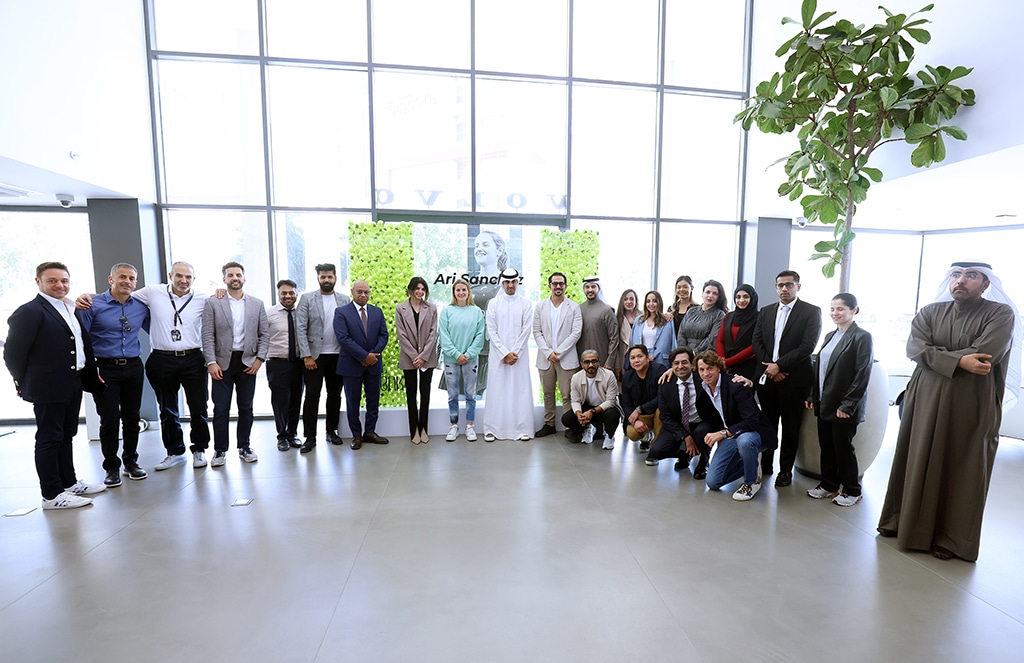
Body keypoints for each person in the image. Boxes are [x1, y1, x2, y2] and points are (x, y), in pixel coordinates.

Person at [878, 262, 1020, 561]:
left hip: (970, 402)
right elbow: (914, 347)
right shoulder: (930, 312)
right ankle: (901, 523)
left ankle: (952, 540)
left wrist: (938, 358)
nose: (961, 281)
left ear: (985, 284)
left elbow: (985, 354)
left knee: (962, 465)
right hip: (925, 399)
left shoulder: (1000, 314)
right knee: (915, 457)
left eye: (971, 276)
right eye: (957, 275)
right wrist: (959, 362)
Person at [87, 261, 213, 471]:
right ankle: (174, 451)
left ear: (194, 279)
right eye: (179, 275)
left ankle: (199, 449)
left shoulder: (202, 298)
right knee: (167, 408)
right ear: (170, 275)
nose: (183, 280)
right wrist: (87, 296)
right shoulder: (152, 292)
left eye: (188, 277)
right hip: (162, 358)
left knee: (199, 407)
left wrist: (220, 291)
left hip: (193, 358)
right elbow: (118, 294)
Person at [4, 262, 106, 509]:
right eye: (52, 281)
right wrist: (22, 382)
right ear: (38, 282)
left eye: (64, 281)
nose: (59, 285)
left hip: (73, 381)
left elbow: (79, 345)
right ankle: (51, 494)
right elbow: (13, 353)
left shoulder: (69, 308)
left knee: (67, 435)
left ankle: (68, 483)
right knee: (49, 438)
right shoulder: (30, 311)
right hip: (47, 385)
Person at [77, 263, 151, 487]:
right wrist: (90, 372)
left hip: (133, 367)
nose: (127, 281)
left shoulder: (140, 306)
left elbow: (158, 327)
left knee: (132, 417)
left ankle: (131, 462)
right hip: (104, 369)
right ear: (111, 279)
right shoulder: (92, 305)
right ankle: (111, 467)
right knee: (109, 419)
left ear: (136, 283)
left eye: (131, 278)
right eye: (122, 277)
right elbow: (81, 341)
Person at [751, 270, 822, 487]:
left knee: (790, 427)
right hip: (767, 379)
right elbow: (757, 342)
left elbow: (807, 346)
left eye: (789, 285)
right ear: (775, 288)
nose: (784, 289)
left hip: (794, 379)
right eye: (780, 285)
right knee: (768, 423)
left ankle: (785, 471)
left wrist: (779, 366)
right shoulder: (765, 311)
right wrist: (770, 368)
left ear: (798, 287)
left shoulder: (811, 312)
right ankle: (768, 465)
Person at [805, 293, 873, 507]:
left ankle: (852, 490)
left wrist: (848, 404)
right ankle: (829, 485)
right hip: (825, 401)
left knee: (843, 448)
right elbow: (819, 368)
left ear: (854, 310)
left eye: (840, 309)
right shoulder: (829, 335)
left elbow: (862, 373)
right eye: (832, 309)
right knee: (827, 445)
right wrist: (812, 395)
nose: (835, 313)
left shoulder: (862, 337)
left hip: (844, 405)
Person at [202, 261, 270, 467]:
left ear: (244, 278)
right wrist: (211, 362)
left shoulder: (257, 304)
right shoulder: (213, 302)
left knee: (246, 407)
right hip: (222, 362)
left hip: (248, 361)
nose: (235, 278)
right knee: (220, 408)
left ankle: (245, 446)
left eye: (238, 275)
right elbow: (207, 334)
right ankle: (220, 450)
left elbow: (264, 334)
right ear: (224, 279)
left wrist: (260, 359)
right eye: (230, 275)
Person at [693, 351, 776, 501]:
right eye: (702, 369)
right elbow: (681, 370)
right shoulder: (703, 386)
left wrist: (723, 433)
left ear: (718, 368)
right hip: (731, 435)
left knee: (745, 442)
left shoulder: (736, 385)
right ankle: (751, 465)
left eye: (710, 368)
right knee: (713, 482)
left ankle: (752, 482)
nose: (706, 373)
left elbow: (752, 421)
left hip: (750, 432)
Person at [296, 263, 352, 450]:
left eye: (329, 277)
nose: (326, 280)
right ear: (318, 278)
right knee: (312, 395)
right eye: (323, 277)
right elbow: (301, 328)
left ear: (335, 278)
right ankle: (310, 436)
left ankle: (331, 431)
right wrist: (306, 355)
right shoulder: (307, 299)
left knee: (335, 395)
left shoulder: (344, 299)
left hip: (338, 356)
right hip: (314, 357)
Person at [334, 280, 389, 450]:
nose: (363, 295)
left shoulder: (377, 312)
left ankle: (370, 432)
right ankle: (356, 435)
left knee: (374, 401)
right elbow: (343, 338)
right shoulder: (341, 312)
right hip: (351, 365)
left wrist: (372, 355)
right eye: (360, 292)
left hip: (373, 364)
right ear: (352, 292)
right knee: (353, 402)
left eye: (366, 292)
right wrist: (364, 356)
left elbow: (383, 336)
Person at [483, 268, 535, 442]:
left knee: (520, 391)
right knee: (497, 391)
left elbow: (526, 330)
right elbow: (491, 330)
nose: (510, 285)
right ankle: (492, 429)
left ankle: (522, 429)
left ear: (517, 283)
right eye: (507, 282)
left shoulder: (526, 303)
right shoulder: (493, 303)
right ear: (502, 283)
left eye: (513, 282)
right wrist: (504, 353)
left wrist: (515, 353)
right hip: (499, 356)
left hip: (519, 357)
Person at [533, 272, 582, 437]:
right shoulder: (540, 306)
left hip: (566, 358)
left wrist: (558, 353)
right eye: (555, 283)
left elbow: (576, 333)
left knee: (568, 394)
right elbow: (536, 331)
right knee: (548, 393)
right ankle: (549, 424)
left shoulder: (574, 307)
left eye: (561, 283)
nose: (558, 286)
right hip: (545, 359)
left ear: (565, 286)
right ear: (549, 286)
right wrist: (548, 353)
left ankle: (570, 427)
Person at [645, 346, 709, 473]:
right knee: (657, 451)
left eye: (685, 362)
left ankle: (704, 461)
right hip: (678, 424)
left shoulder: (703, 378)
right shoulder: (665, 384)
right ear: (672, 366)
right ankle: (685, 455)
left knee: (703, 432)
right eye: (676, 363)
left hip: (700, 423)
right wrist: (686, 437)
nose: (680, 366)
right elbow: (665, 416)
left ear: (692, 364)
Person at [438, 278, 486, 442]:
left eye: (463, 290)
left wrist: (468, 354)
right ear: (454, 293)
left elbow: (480, 336)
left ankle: (470, 426)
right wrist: (457, 354)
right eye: (458, 290)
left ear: (468, 292)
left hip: (471, 359)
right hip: (451, 359)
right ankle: (454, 426)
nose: (461, 293)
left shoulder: (476, 312)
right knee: (452, 395)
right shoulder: (447, 311)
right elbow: (444, 336)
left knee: (470, 395)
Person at [396, 276, 438, 444]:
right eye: (417, 289)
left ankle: (424, 429)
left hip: (427, 358)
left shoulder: (432, 308)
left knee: (425, 394)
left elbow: (433, 334)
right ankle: (413, 430)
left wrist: (423, 356)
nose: (420, 292)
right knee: (411, 395)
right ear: (411, 289)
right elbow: (402, 335)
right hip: (409, 358)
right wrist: (415, 356)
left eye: (423, 289)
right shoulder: (401, 308)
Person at [265, 279, 304, 453]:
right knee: (280, 402)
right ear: (279, 294)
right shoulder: (269, 313)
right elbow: (261, 337)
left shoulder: (302, 313)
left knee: (296, 400)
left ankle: (292, 433)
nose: (288, 296)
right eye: (284, 293)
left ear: (296, 293)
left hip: (298, 362)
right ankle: (281, 436)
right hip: (277, 362)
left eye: (291, 292)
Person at [562, 349, 620, 448]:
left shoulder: (609, 375)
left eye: (594, 361)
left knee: (613, 414)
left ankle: (610, 436)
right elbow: (575, 400)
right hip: (587, 408)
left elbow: (611, 401)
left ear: (599, 362)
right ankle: (588, 427)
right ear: (582, 364)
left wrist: (592, 411)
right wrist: (579, 413)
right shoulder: (576, 377)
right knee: (566, 419)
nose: (590, 365)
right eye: (587, 362)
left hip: (603, 408)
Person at [620, 344, 667, 451]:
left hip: (658, 412)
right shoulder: (627, 377)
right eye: (632, 358)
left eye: (640, 356)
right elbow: (626, 403)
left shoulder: (659, 370)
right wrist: (635, 421)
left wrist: (640, 409)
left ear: (648, 357)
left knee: (661, 411)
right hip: (643, 415)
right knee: (631, 433)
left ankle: (655, 449)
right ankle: (646, 437)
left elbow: (662, 397)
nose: (636, 360)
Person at [716, 284, 760, 381]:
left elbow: (755, 346)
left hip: (747, 367)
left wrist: (728, 362)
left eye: (746, 297)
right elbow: (720, 340)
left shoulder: (759, 318)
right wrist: (722, 361)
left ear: (752, 298)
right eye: (738, 297)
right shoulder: (728, 316)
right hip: (726, 368)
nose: (741, 300)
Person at [577, 277, 618, 371]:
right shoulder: (578, 309)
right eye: (587, 287)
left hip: (602, 362)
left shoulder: (607, 310)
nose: (590, 290)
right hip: (583, 363)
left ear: (598, 289)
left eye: (593, 287)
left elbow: (614, 338)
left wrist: (610, 361)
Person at [676, 279, 727, 353]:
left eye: (715, 293)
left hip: (704, 356)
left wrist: (695, 352)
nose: (710, 296)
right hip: (685, 355)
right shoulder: (691, 311)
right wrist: (684, 352)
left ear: (719, 297)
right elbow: (681, 333)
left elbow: (712, 339)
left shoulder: (719, 315)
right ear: (702, 293)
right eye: (708, 292)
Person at [629, 290, 674, 367]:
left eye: (654, 301)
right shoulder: (638, 320)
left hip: (661, 362)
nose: (651, 304)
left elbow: (673, 344)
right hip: (640, 363)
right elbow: (632, 343)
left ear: (659, 302)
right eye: (648, 301)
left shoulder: (667, 320)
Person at [613, 289, 640, 378]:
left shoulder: (643, 316)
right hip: (624, 357)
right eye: (626, 299)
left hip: (641, 356)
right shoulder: (617, 319)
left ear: (636, 301)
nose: (629, 302)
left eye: (632, 299)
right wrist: (617, 365)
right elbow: (614, 344)